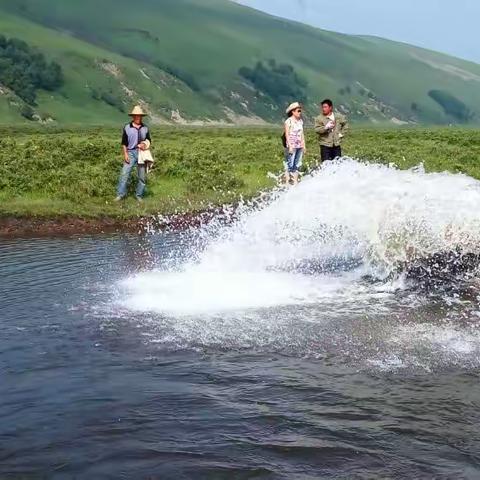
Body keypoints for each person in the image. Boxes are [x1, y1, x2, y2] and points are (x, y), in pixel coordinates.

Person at [115, 105, 152, 202]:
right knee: (124, 174)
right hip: (130, 153)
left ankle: (139, 195)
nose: (138, 117)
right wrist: (125, 154)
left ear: (141, 117)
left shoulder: (145, 128)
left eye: (139, 116)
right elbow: (124, 143)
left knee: (142, 177)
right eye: (136, 115)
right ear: (133, 116)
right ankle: (120, 194)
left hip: (141, 153)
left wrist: (144, 144)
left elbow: (149, 140)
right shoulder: (127, 127)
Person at [284, 102, 306, 185]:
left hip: (299, 145)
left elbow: (302, 133)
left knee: (297, 163)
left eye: (300, 111)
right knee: (290, 163)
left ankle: (295, 181)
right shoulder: (288, 121)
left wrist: (304, 145)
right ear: (293, 111)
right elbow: (287, 134)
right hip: (292, 145)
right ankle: (288, 181)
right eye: (298, 111)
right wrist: (290, 146)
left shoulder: (300, 121)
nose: (300, 112)